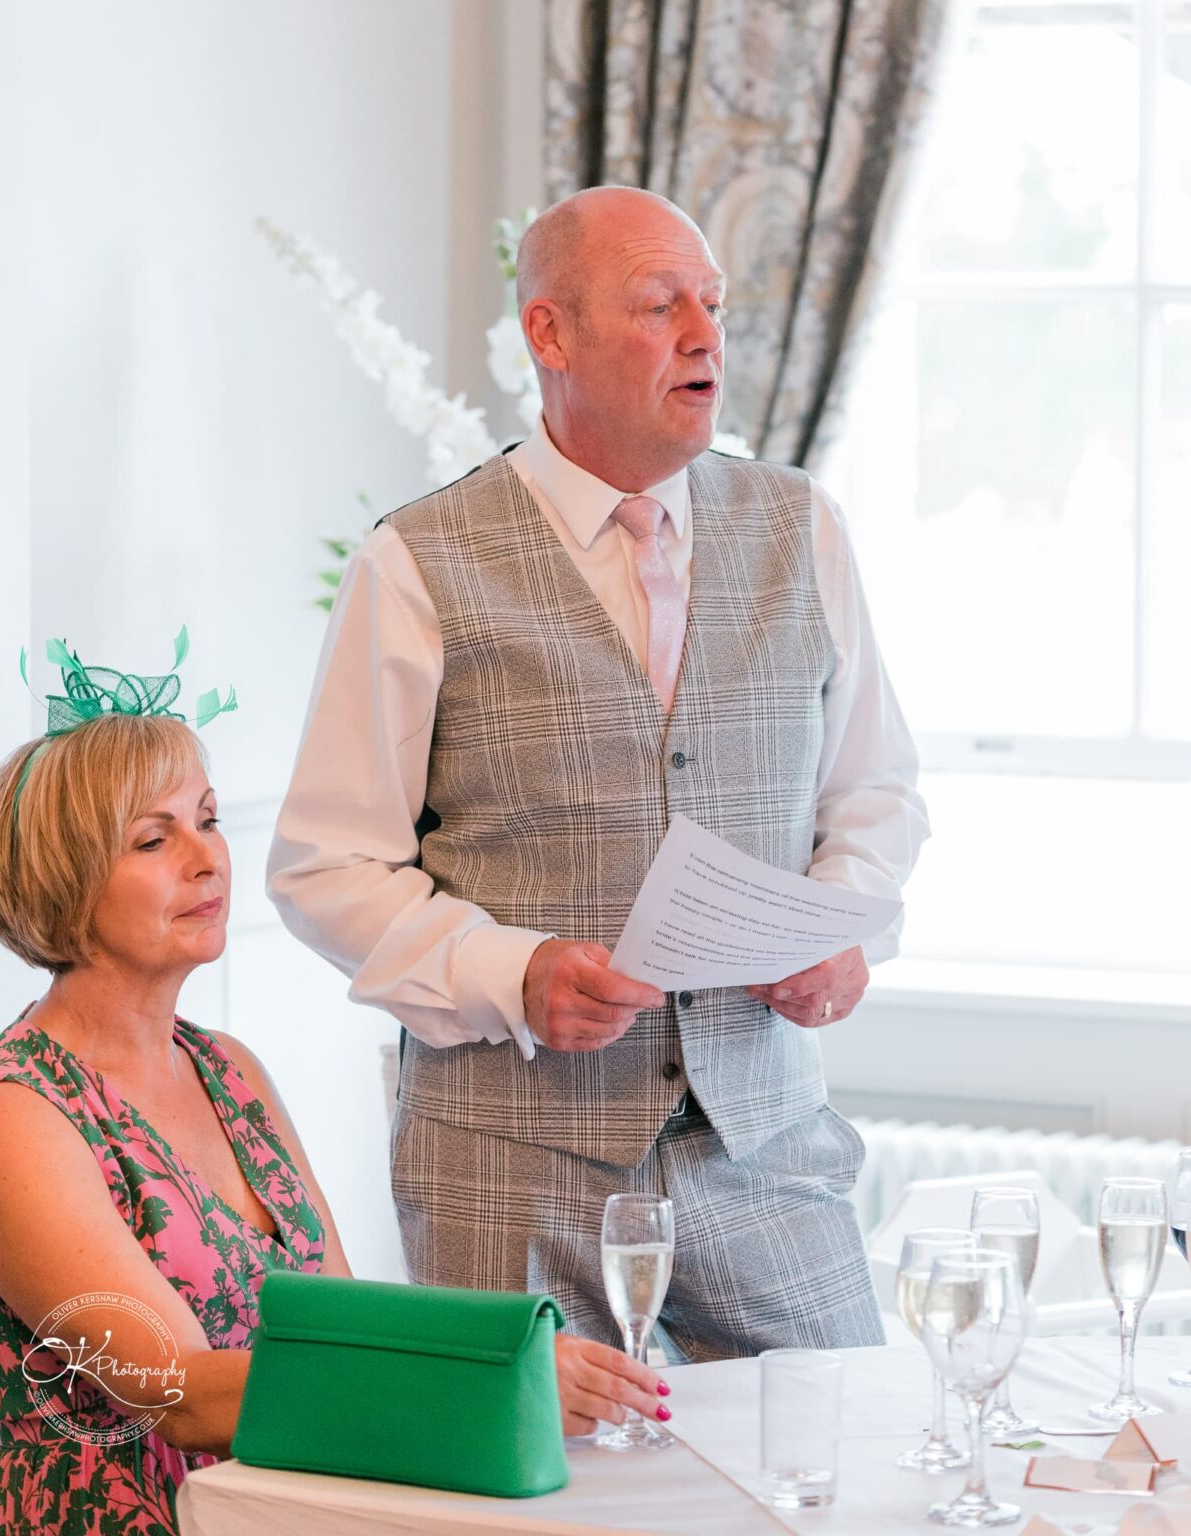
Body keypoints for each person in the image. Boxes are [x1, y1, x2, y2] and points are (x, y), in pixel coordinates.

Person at [268, 185, 930, 1360]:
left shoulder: (802, 526)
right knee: (541, 1510)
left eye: (712, 304)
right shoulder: (415, 561)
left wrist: (844, 931)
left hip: (764, 1146)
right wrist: (509, 972)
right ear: (549, 335)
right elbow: (325, 866)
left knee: (838, 1476)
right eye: (658, 303)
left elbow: (872, 792)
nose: (703, 334)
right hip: (506, 1171)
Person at [0, 656, 666, 1536]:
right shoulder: (10, 1117)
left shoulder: (228, 1069)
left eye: (208, 820)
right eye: (154, 839)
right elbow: (172, 1394)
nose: (206, 857)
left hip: (289, 1502)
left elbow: (340, 1319)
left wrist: (512, 1350)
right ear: (61, 879)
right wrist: (496, 1382)